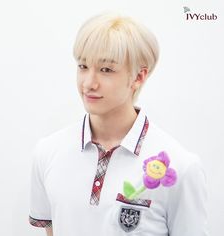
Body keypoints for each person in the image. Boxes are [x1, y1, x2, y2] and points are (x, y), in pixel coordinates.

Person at [29, 12, 208, 236]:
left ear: (138, 77)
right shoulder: (48, 151)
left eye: (106, 70)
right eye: (83, 66)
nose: (88, 83)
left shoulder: (180, 167)